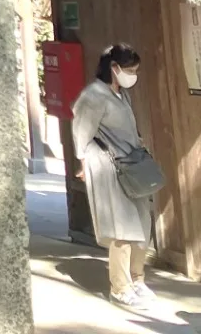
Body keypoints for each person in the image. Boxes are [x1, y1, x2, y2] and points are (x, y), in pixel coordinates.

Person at [72, 43, 158, 313]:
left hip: (132, 164)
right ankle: (120, 288)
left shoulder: (121, 94)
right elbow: (82, 133)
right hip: (109, 166)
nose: (133, 75)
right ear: (114, 68)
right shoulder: (93, 96)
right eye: (130, 70)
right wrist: (84, 164)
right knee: (122, 228)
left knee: (142, 224)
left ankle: (137, 278)